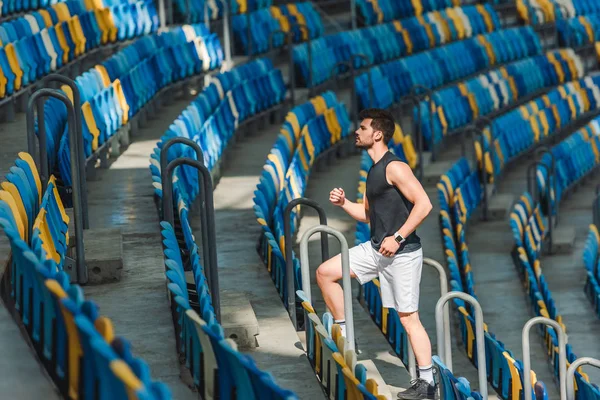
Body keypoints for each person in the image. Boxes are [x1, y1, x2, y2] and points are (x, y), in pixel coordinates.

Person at [316, 108, 436, 399]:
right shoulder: (373, 170)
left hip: (402, 253)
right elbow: (367, 215)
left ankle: (428, 383)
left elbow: (424, 204)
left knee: (408, 319)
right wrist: (345, 203)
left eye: (363, 128)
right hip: (376, 249)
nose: (357, 132)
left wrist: (397, 237)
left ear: (377, 133)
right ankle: (344, 338)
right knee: (326, 273)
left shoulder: (395, 167)